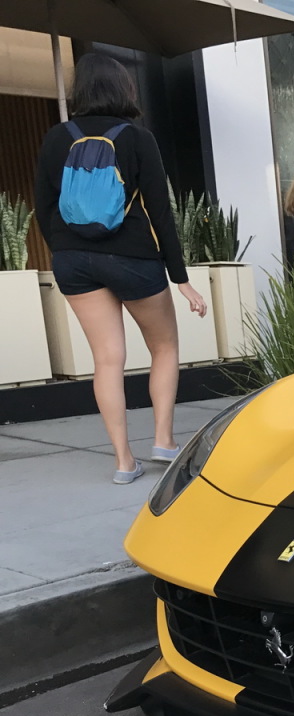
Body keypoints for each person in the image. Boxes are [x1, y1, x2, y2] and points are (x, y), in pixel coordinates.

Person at [33, 53, 206, 485]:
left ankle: (123, 462)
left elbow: (42, 207)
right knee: (164, 347)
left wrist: (67, 251)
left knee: (107, 359)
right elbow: (160, 212)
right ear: (124, 88)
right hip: (133, 258)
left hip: (73, 262)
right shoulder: (137, 137)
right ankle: (163, 440)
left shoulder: (57, 137)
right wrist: (181, 279)